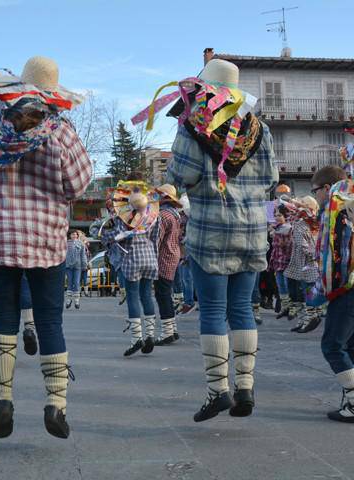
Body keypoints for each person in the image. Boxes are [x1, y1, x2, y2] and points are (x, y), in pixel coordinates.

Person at [0, 56, 91, 439]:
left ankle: (2, 401)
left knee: (3, 319)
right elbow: (78, 184)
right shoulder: (60, 130)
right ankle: (56, 406)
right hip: (44, 240)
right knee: (50, 321)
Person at [152, 58, 278, 421]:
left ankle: (217, 390)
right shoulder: (260, 128)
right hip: (253, 232)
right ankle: (245, 387)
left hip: (211, 230)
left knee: (212, 311)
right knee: (241, 309)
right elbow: (271, 178)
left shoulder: (194, 127)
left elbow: (182, 176)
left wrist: (173, 179)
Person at [312, 165, 354, 422]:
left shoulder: (338, 208)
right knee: (349, 344)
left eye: (315, 190)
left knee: (332, 345)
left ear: (327, 188)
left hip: (346, 285)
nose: (315, 195)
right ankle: (349, 400)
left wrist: (329, 286)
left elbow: (336, 254)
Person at [100, 180, 160, 357]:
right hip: (149, 257)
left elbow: (113, 237)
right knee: (147, 295)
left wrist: (107, 235)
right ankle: (150, 335)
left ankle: (136, 339)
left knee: (133, 297)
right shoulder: (153, 217)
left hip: (132, 259)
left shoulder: (123, 218)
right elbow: (155, 238)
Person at [284, 196, 321, 334]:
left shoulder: (307, 224)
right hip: (307, 262)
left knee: (306, 292)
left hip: (307, 263)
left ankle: (309, 319)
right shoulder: (309, 223)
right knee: (301, 292)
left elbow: (304, 245)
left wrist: (314, 255)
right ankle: (305, 319)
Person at [154, 184, 182, 345]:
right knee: (167, 293)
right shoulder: (175, 214)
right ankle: (172, 328)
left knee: (162, 294)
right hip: (173, 254)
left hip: (164, 257)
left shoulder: (163, 215)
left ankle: (167, 332)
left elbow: (157, 239)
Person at [269, 205, 293, 319]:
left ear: (286, 216)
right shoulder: (276, 228)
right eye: (275, 215)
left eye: (279, 215)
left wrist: (275, 234)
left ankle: (291, 308)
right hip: (277, 262)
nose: (277, 217)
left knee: (287, 285)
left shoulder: (288, 228)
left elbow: (287, 247)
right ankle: (285, 307)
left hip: (286, 261)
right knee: (281, 286)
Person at [65, 230, 87, 309]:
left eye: (75, 234)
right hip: (68, 266)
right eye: (72, 234)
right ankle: (68, 300)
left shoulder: (81, 244)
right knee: (69, 282)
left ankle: (77, 300)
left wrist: (85, 265)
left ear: (77, 236)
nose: (74, 235)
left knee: (77, 282)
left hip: (78, 266)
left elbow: (83, 255)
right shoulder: (66, 243)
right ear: (70, 235)